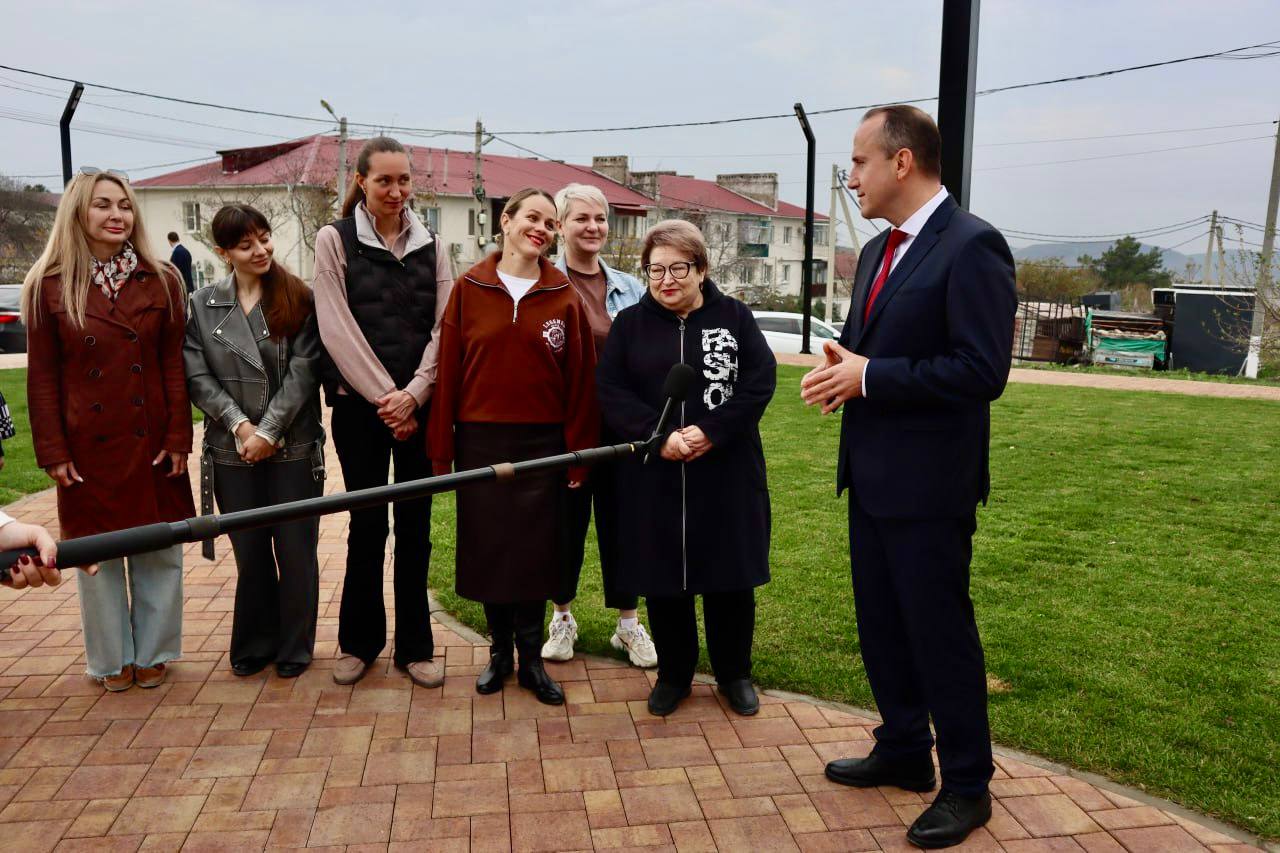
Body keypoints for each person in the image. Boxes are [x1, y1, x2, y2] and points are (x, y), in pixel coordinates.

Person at [799, 105, 1017, 850]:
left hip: (931, 487)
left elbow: (982, 370)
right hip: (872, 476)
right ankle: (902, 749)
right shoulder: (880, 249)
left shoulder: (973, 245)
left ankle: (966, 784)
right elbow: (872, 351)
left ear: (901, 163)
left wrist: (871, 377)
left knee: (938, 633)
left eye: (859, 161)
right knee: (882, 626)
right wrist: (843, 369)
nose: (850, 176)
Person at [23, 167, 195, 693]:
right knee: (93, 556)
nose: (117, 214)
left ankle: (155, 651)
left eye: (124, 205)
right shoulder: (48, 285)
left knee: (158, 549)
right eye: (102, 205)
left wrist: (178, 438)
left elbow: (172, 366)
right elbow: (42, 378)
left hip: (151, 438)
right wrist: (52, 450)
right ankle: (110, 658)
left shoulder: (163, 279)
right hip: (85, 447)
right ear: (78, 211)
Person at [596, 219, 776, 719]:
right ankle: (674, 675)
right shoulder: (631, 325)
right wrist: (659, 438)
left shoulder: (734, 318)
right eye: (656, 270)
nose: (666, 279)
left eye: (678, 267)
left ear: (701, 269)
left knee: (729, 580)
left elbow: (759, 382)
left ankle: (734, 673)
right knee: (664, 580)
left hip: (726, 473)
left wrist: (712, 431)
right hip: (656, 475)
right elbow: (611, 391)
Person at [427, 188, 597, 706]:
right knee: (491, 551)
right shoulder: (468, 288)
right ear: (506, 220)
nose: (541, 229)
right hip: (481, 439)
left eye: (550, 222)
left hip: (543, 444)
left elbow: (580, 380)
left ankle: (530, 660)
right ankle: (499, 653)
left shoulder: (563, 294)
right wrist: (442, 451)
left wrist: (578, 452)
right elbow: (448, 370)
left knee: (534, 554)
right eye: (532, 217)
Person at [313, 136, 453, 689]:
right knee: (367, 525)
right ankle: (358, 643)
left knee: (416, 529)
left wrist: (415, 393)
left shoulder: (433, 243)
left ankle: (416, 647)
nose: (395, 191)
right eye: (384, 181)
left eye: (404, 180)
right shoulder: (334, 239)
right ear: (362, 183)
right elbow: (335, 326)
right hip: (359, 412)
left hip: (419, 409)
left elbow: (446, 328)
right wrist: (386, 400)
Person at [185, 204, 325, 679]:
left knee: (295, 549)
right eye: (246, 244)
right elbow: (197, 373)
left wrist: (269, 430)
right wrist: (241, 427)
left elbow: (306, 371)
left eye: (264, 238)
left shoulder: (298, 296)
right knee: (250, 552)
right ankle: (254, 642)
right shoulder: (202, 304)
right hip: (231, 449)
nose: (261, 249)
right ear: (224, 253)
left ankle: (294, 647)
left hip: (294, 448)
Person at [541, 183, 656, 669]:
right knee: (564, 526)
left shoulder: (631, 288)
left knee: (625, 526)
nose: (592, 228)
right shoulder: (544, 283)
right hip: (567, 427)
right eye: (581, 218)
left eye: (600, 219)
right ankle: (562, 619)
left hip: (622, 428)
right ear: (560, 226)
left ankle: (628, 627)